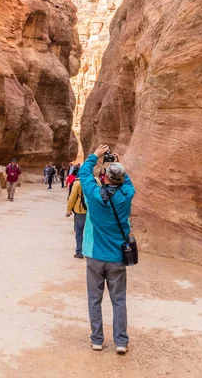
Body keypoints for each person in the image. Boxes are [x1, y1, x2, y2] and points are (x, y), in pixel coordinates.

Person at [79, 144, 135, 355]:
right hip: (117, 256)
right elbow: (127, 182)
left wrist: (95, 156)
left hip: (94, 255)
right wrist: (116, 164)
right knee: (118, 300)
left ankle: (97, 340)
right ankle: (120, 342)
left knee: (95, 299)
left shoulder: (94, 195)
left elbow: (84, 173)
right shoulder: (126, 195)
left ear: (105, 178)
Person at [66, 175, 86, 259]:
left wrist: (69, 209)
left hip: (80, 210)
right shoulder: (96, 181)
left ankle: (79, 251)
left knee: (79, 231)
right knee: (92, 232)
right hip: (92, 211)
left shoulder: (78, 183)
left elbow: (72, 197)